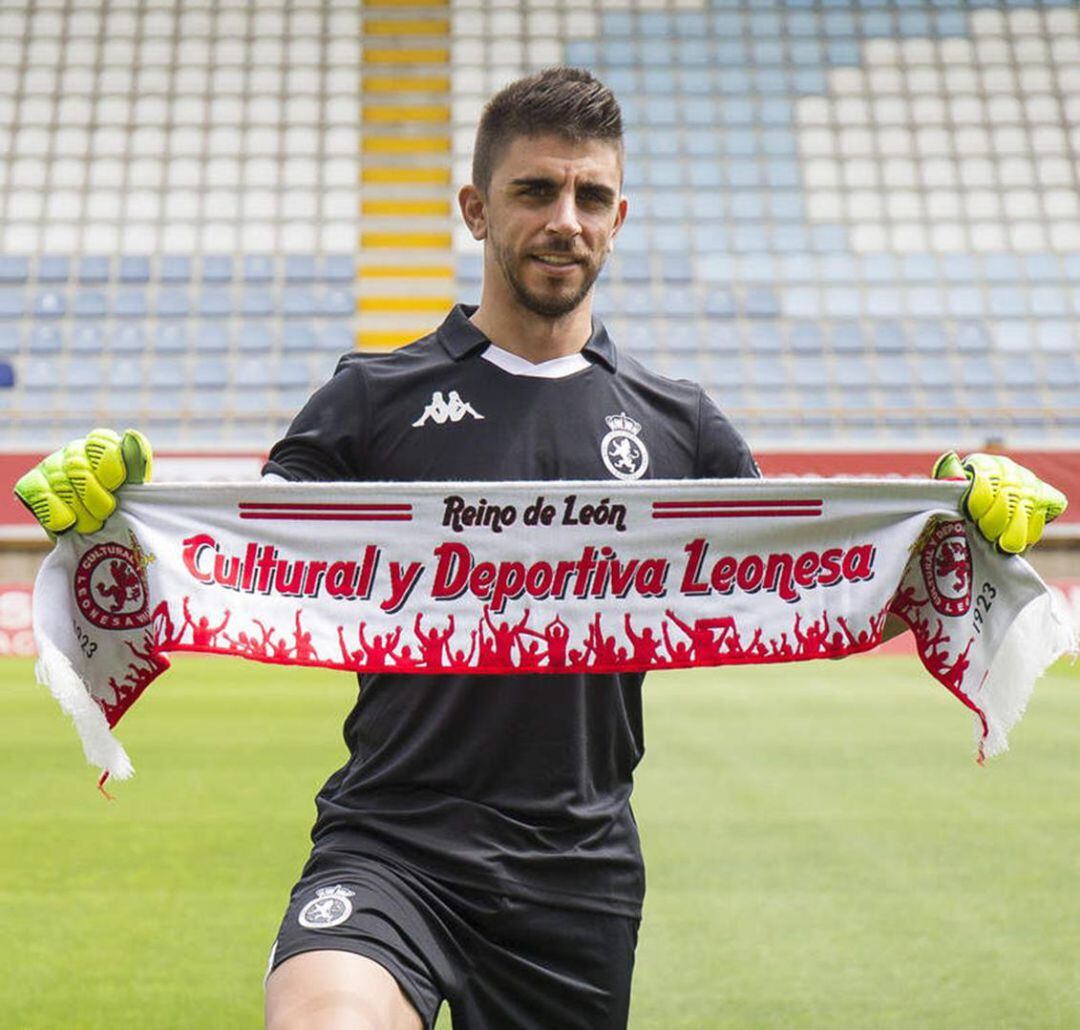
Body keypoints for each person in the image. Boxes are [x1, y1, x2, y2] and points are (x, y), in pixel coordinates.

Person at [15, 68, 1067, 1030]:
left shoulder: (679, 425)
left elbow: (818, 583)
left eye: (590, 196)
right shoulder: (371, 399)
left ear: (619, 218)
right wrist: (117, 516)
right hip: (392, 841)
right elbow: (241, 557)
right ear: (476, 209)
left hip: (578, 873)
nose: (564, 221)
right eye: (534, 192)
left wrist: (951, 521)